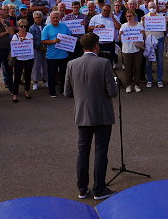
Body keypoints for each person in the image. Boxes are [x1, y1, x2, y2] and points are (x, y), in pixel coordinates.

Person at [64, 33, 118, 201]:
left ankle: (82, 188)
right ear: (96, 46)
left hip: (82, 113)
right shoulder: (104, 63)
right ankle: (99, 189)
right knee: (101, 151)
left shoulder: (72, 64)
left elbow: (67, 92)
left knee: (83, 151)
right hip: (102, 114)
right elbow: (113, 92)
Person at [41, 11, 72, 98]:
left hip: (64, 55)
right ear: (50, 19)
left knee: (64, 74)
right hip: (52, 56)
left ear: (59, 18)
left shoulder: (64, 26)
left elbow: (70, 35)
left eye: (57, 17)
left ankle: (63, 90)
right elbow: (43, 41)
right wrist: (54, 41)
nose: (55, 19)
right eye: (53, 18)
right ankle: (52, 92)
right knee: (52, 74)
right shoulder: (46, 28)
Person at [119, 11, 144, 93]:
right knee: (128, 68)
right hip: (126, 50)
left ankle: (136, 84)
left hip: (137, 49)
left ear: (134, 16)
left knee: (137, 67)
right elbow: (120, 39)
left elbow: (143, 38)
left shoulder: (139, 25)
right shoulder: (123, 26)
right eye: (127, 16)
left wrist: (143, 34)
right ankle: (128, 85)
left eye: (130, 16)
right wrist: (120, 34)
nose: (129, 18)